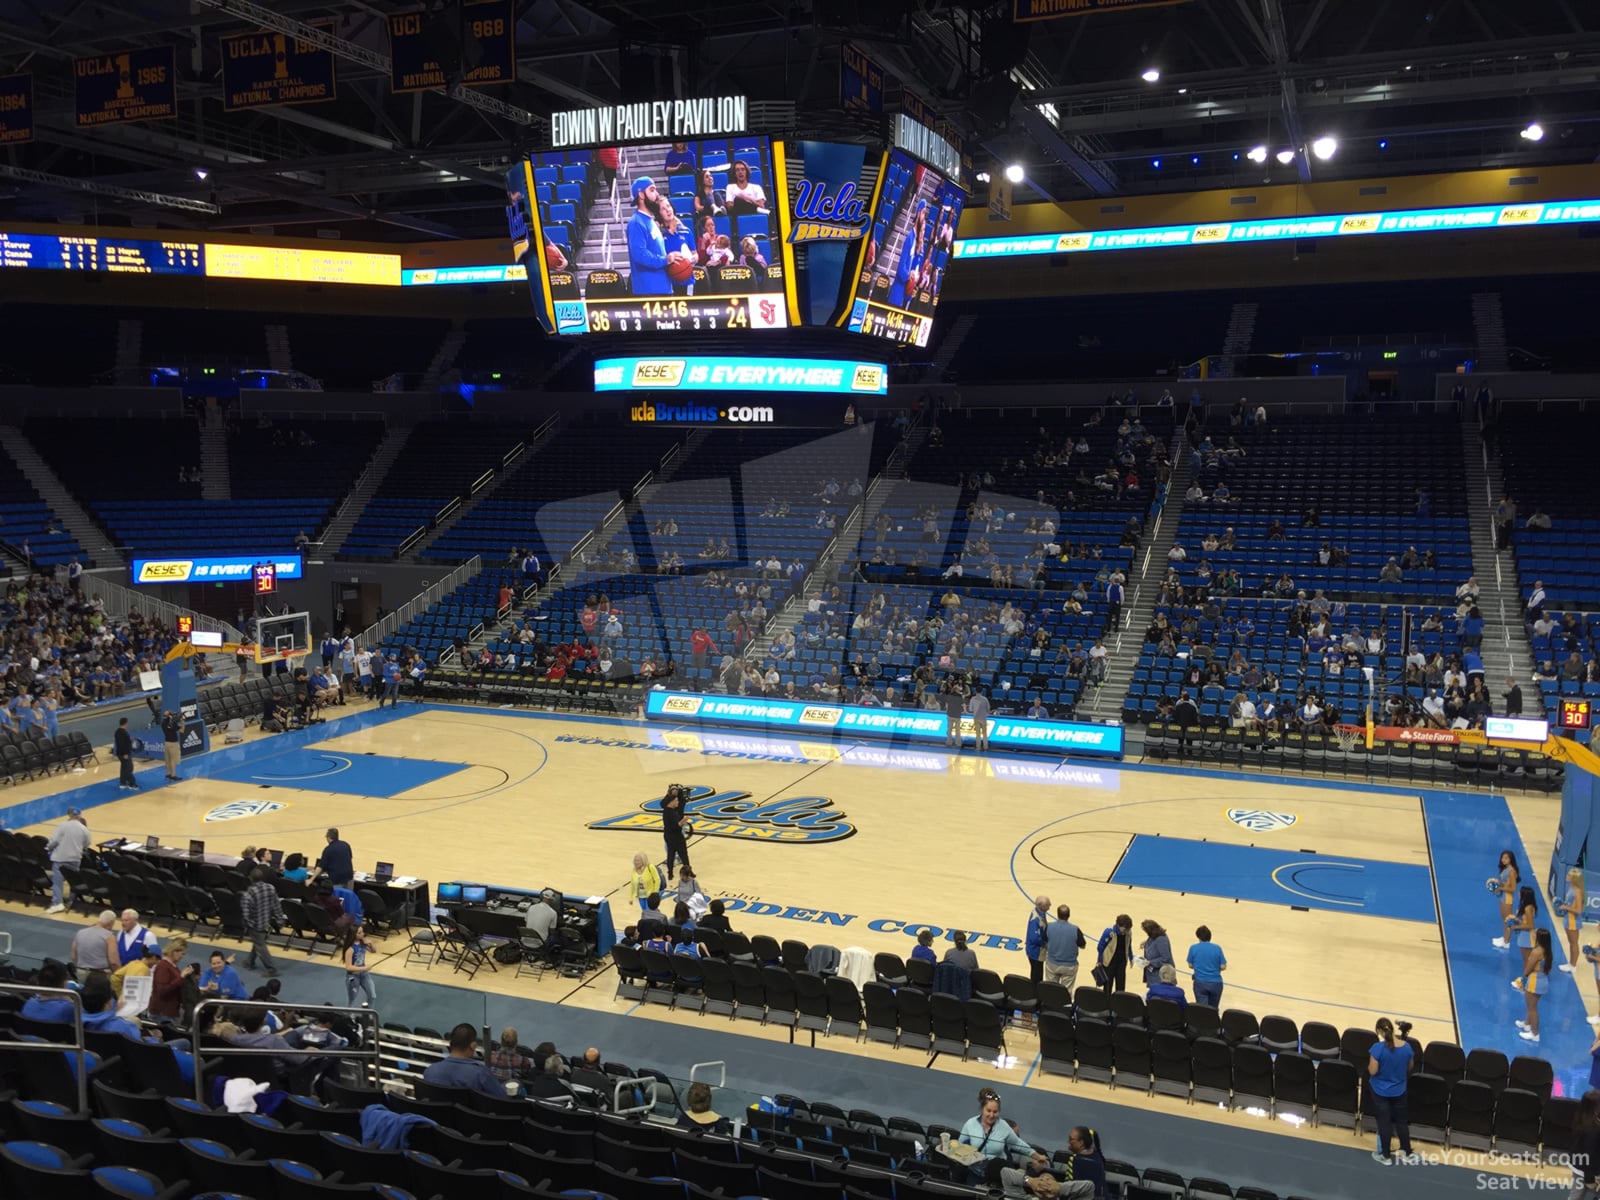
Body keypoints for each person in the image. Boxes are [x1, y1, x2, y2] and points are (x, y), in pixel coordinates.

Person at [957, 1087, 1034, 1185]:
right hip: (975, 1173)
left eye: (995, 1112)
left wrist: (1035, 1154)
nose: (991, 1115)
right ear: (982, 1109)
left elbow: (1018, 1143)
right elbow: (959, 1146)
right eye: (988, 1111)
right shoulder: (970, 1124)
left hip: (997, 1175)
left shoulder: (1003, 1126)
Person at [1368, 1017, 1417, 1165]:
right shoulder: (1407, 1047)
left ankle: (1386, 1156)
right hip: (1399, 1090)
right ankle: (1406, 1152)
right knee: (1401, 1122)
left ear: (1379, 1031)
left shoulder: (1377, 1048)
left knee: (1385, 1123)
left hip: (1380, 1092)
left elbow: (1372, 1071)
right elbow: (1410, 1067)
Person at [422, 1023, 504, 1097]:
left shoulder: (430, 1071)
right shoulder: (481, 1074)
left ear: (450, 1045)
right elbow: (501, 1098)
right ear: (473, 1046)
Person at [625, 176, 673, 296]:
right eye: (652, 190)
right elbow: (640, 255)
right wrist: (665, 260)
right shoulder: (636, 222)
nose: (657, 194)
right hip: (649, 291)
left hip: (663, 288)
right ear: (641, 195)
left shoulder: (651, 221)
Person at [45, 807, 92, 913]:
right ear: (80, 815)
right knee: (73, 880)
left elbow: (54, 841)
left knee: (57, 882)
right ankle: (71, 899)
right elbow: (87, 843)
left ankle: (58, 903)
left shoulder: (62, 826)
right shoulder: (83, 829)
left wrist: (49, 849)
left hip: (60, 858)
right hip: (75, 858)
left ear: (69, 815)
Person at [240, 867, 284, 977]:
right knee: (258, 942)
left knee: (260, 946)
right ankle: (249, 961)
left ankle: (271, 969)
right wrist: (279, 919)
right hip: (266, 922)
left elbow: (246, 913)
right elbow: (276, 905)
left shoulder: (248, 894)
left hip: (255, 924)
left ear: (250, 879)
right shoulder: (270, 888)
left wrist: (249, 925)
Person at [1513, 927, 1552, 1043]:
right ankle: (1527, 1023)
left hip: (1535, 981)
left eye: (1535, 933)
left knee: (1532, 1008)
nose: (1533, 934)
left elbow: (1529, 967)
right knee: (1532, 1005)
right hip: (1542, 979)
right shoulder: (1547, 950)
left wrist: (1523, 978)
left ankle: (1534, 1034)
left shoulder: (1536, 952)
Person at [148, 938, 194, 1023]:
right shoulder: (163, 966)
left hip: (169, 1012)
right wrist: (181, 977)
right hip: (162, 1013)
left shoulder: (173, 966)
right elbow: (162, 990)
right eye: (182, 954)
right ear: (175, 951)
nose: (182, 957)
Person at [1044, 905, 1085, 991]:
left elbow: (1044, 940)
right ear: (1069, 915)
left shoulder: (1049, 926)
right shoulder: (1075, 929)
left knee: (1050, 990)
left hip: (1052, 964)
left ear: (1057, 914)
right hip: (1069, 966)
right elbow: (1083, 945)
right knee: (1066, 992)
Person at [70, 909, 118, 981]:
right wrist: (118, 975)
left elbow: (73, 956)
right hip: (100, 975)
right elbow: (113, 962)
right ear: (111, 923)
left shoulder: (80, 932)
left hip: (81, 972)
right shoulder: (110, 937)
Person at [1186, 925, 1228, 1008]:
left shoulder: (1193, 948)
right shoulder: (1217, 948)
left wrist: (1199, 966)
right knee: (1213, 1010)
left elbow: (1190, 965)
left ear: (1198, 937)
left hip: (1200, 983)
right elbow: (1223, 966)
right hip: (1216, 983)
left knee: (1202, 1010)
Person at [660, 783, 693, 880]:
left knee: (673, 852)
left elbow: (677, 801)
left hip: (672, 831)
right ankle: (679, 867)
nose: (675, 792)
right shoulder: (669, 807)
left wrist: (676, 793)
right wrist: (669, 793)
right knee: (678, 852)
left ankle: (672, 871)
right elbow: (663, 803)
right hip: (675, 830)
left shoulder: (678, 802)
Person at [1489, 849, 1520, 950]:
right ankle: (1504, 938)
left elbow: (1513, 888)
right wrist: (1497, 882)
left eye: (1506, 858)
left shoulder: (1512, 872)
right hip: (1502, 896)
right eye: (1502, 857)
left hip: (1507, 898)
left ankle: (1506, 942)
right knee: (1504, 919)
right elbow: (1505, 882)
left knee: (1507, 920)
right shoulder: (1505, 869)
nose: (1503, 860)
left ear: (1511, 859)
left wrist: (1500, 888)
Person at [1095, 915, 1133, 995]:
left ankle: (1119, 1001)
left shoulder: (1128, 933)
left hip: (1121, 962)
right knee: (1108, 985)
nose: (1126, 931)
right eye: (1124, 929)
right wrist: (1099, 960)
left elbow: (1128, 945)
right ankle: (1106, 1001)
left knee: (1121, 985)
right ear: (1118, 925)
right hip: (1109, 962)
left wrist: (1131, 957)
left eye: (1128, 929)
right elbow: (1100, 947)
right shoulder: (1109, 932)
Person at [1506, 885, 1538, 975]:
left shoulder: (1528, 908)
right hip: (1523, 935)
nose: (1518, 893)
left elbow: (1531, 925)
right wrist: (1517, 921)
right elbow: (1525, 921)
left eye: (1520, 892)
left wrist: (1516, 927)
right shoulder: (1526, 906)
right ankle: (1526, 977)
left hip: (1527, 937)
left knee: (1527, 960)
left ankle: (1526, 978)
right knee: (1526, 959)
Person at [1560, 868, 1588, 975]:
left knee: (1574, 943)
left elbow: (1578, 910)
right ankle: (1570, 963)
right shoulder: (1572, 888)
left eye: (1569, 875)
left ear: (1574, 879)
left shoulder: (1578, 892)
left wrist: (1565, 907)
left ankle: (1573, 965)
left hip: (1573, 921)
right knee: (1571, 943)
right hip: (1568, 919)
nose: (1567, 876)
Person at [341, 926, 377, 1007]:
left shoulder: (362, 943)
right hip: (353, 976)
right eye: (360, 933)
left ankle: (368, 1012)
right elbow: (348, 967)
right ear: (354, 935)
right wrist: (365, 968)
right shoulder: (350, 949)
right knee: (353, 1000)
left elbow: (374, 951)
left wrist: (371, 944)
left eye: (362, 932)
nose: (362, 934)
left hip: (364, 974)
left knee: (372, 995)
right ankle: (350, 1014)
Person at [1025, 896, 1051, 986]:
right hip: (1036, 953)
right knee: (1037, 976)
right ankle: (1035, 991)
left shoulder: (1040, 913)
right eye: (1048, 905)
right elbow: (1034, 938)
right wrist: (1046, 942)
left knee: (1037, 973)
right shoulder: (1035, 920)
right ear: (1041, 906)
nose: (1050, 906)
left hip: (1038, 951)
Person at [1139, 920, 1173, 988]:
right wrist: (1146, 943)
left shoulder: (1161, 940)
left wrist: (1150, 962)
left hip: (1161, 975)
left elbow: (1165, 958)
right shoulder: (1153, 936)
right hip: (1153, 974)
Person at [114, 717, 139, 789]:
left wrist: (129, 740)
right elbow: (122, 744)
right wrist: (125, 754)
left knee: (124, 768)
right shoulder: (123, 732)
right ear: (125, 723)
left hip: (120, 753)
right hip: (124, 754)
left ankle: (123, 783)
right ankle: (132, 783)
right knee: (129, 768)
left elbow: (122, 742)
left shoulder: (117, 731)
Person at [160, 708, 183, 781]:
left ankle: (168, 774)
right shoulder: (173, 723)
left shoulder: (163, 723)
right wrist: (183, 722)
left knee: (168, 760)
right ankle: (173, 775)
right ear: (170, 716)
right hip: (173, 743)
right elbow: (182, 730)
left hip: (167, 743)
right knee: (173, 760)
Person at [968, 688, 991, 752]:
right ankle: (985, 747)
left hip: (976, 718)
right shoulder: (985, 699)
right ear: (982, 691)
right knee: (984, 733)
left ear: (975, 691)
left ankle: (978, 747)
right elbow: (988, 708)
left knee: (978, 734)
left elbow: (970, 709)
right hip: (983, 718)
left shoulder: (973, 699)